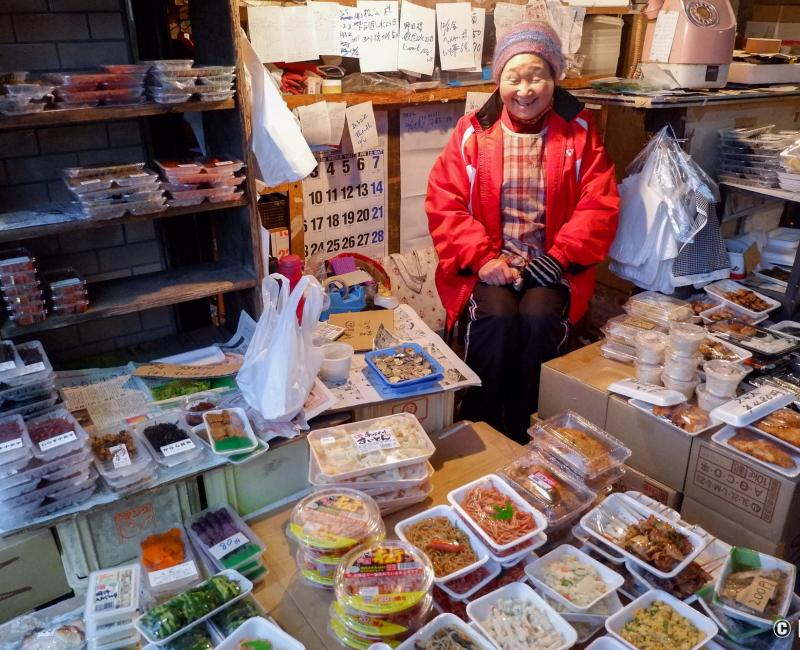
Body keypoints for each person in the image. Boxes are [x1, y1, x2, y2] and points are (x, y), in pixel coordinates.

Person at [425, 22, 620, 442]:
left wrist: (561, 257)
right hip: (492, 262)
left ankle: (527, 428)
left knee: (539, 317)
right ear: (499, 81)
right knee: (496, 318)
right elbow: (445, 202)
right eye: (513, 78)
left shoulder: (579, 131)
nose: (525, 89)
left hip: (553, 265)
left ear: (554, 78)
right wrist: (482, 259)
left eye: (536, 76)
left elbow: (598, 203)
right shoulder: (473, 132)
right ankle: (478, 426)